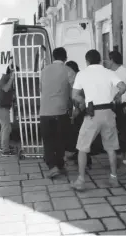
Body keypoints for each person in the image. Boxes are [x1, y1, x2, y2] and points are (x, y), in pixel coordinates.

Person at [71, 49, 126, 191]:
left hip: (92, 113)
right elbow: (123, 87)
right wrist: (117, 96)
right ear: (100, 59)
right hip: (108, 112)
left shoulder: (82, 74)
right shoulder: (109, 72)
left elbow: (74, 95)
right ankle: (114, 178)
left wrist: (83, 101)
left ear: (87, 61)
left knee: (82, 147)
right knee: (111, 147)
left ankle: (81, 180)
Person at [40, 47, 76, 178]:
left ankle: (52, 167)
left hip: (45, 111)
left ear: (53, 58)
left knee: (48, 140)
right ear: (65, 58)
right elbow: (75, 90)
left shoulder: (44, 71)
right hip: (61, 111)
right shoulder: (68, 71)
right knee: (60, 139)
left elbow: (41, 89)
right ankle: (60, 164)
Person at [65, 61, 93, 169]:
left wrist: (78, 110)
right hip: (80, 110)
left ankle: (86, 160)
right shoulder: (73, 80)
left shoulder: (81, 80)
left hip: (86, 110)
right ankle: (79, 155)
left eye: (68, 71)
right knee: (77, 133)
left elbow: (86, 99)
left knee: (83, 135)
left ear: (73, 70)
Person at [0, 64, 17, 156]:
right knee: (6, 128)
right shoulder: (5, 78)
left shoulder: (7, 79)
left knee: (5, 128)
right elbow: (6, 89)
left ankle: (4, 146)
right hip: (2, 107)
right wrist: (12, 78)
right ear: (12, 72)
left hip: (3, 107)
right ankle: (5, 150)